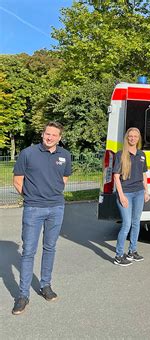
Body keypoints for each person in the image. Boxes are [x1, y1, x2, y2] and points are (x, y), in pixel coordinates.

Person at [12, 121, 72, 315]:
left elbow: (64, 179)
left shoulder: (65, 155)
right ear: (42, 134)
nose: (50, 137)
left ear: (59, 138)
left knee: (50, 248)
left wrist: (52, 195)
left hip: (56, 208)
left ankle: (45, 286)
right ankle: (22, 295)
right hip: (33, 209)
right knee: (28, 251)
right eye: (47, 133)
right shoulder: (28, 153)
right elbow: (17, 180)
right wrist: (30, 197)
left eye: (54, 135)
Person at [113, 127, 150, 266]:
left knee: (136, 223)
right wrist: (121, 196)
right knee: (127, 224)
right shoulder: (120, 154)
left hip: (139, 192)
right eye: (130, 136)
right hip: (126, 193)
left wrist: (146, 191)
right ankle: (118, 255)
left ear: (138, 138)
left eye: (135, 136)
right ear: (127, 138)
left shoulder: (142, 154)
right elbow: (116, 177)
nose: (132, 138)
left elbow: (144, 174)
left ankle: (132, 251)